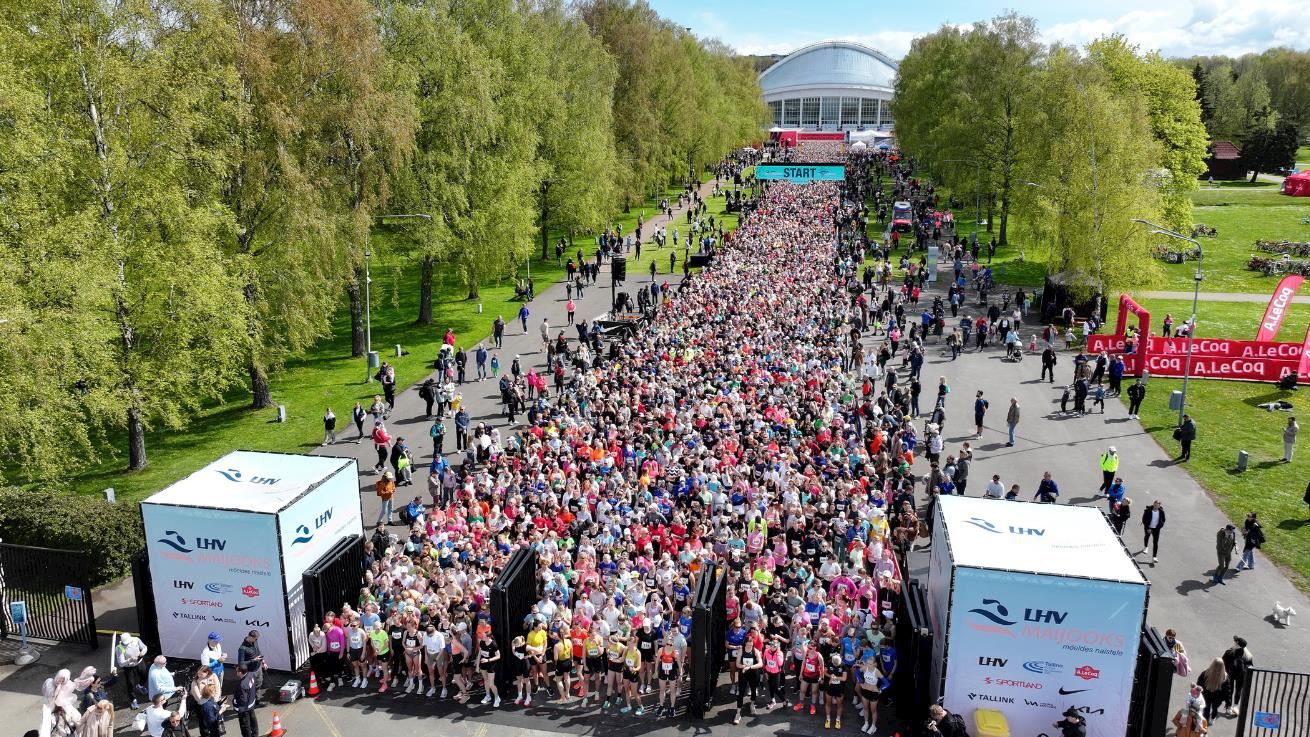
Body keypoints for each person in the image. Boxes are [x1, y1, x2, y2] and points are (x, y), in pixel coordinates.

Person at [113, 633, 149, 709]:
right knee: (130, 684)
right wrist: (130, 660)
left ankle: (140, 686)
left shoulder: (136, 639)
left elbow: (144, 647)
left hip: (139, 662)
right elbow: (121, 663)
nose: (127, 644)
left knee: (145, 675)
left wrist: (143, 652)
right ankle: (133, 700)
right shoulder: (119, 648)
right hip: (129, 667)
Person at [1221, 637, 1253, 716]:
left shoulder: (1229, 652)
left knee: (1229, 690)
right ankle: (1235, 706)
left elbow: (1223, 662)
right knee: (1238, 690)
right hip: (1241, 675)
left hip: (1230, 674)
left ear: (1237, 643)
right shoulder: (1248, 655)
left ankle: (1228, 707)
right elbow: (1250, 666)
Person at [1197, 659, 1228, 724]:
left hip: (1211, 696)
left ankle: (1209, 719)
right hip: (1213, 696)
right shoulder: (1224, 676)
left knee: (1210, 709)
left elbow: (1199, 684)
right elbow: (1227, 690)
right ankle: (1209, 719)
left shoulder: (1206, 673)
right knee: (1211, 708)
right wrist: (1228, 701)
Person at [234, 664, 258, 737]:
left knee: (245, 726)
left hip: (244, 708)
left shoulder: (241, 685)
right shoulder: (251, 674)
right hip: (251, 703)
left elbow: (242, 700)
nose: (236, 672)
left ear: (240, 673)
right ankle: (255, 734)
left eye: (237, 671)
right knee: (253, 720)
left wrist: (235, 703)